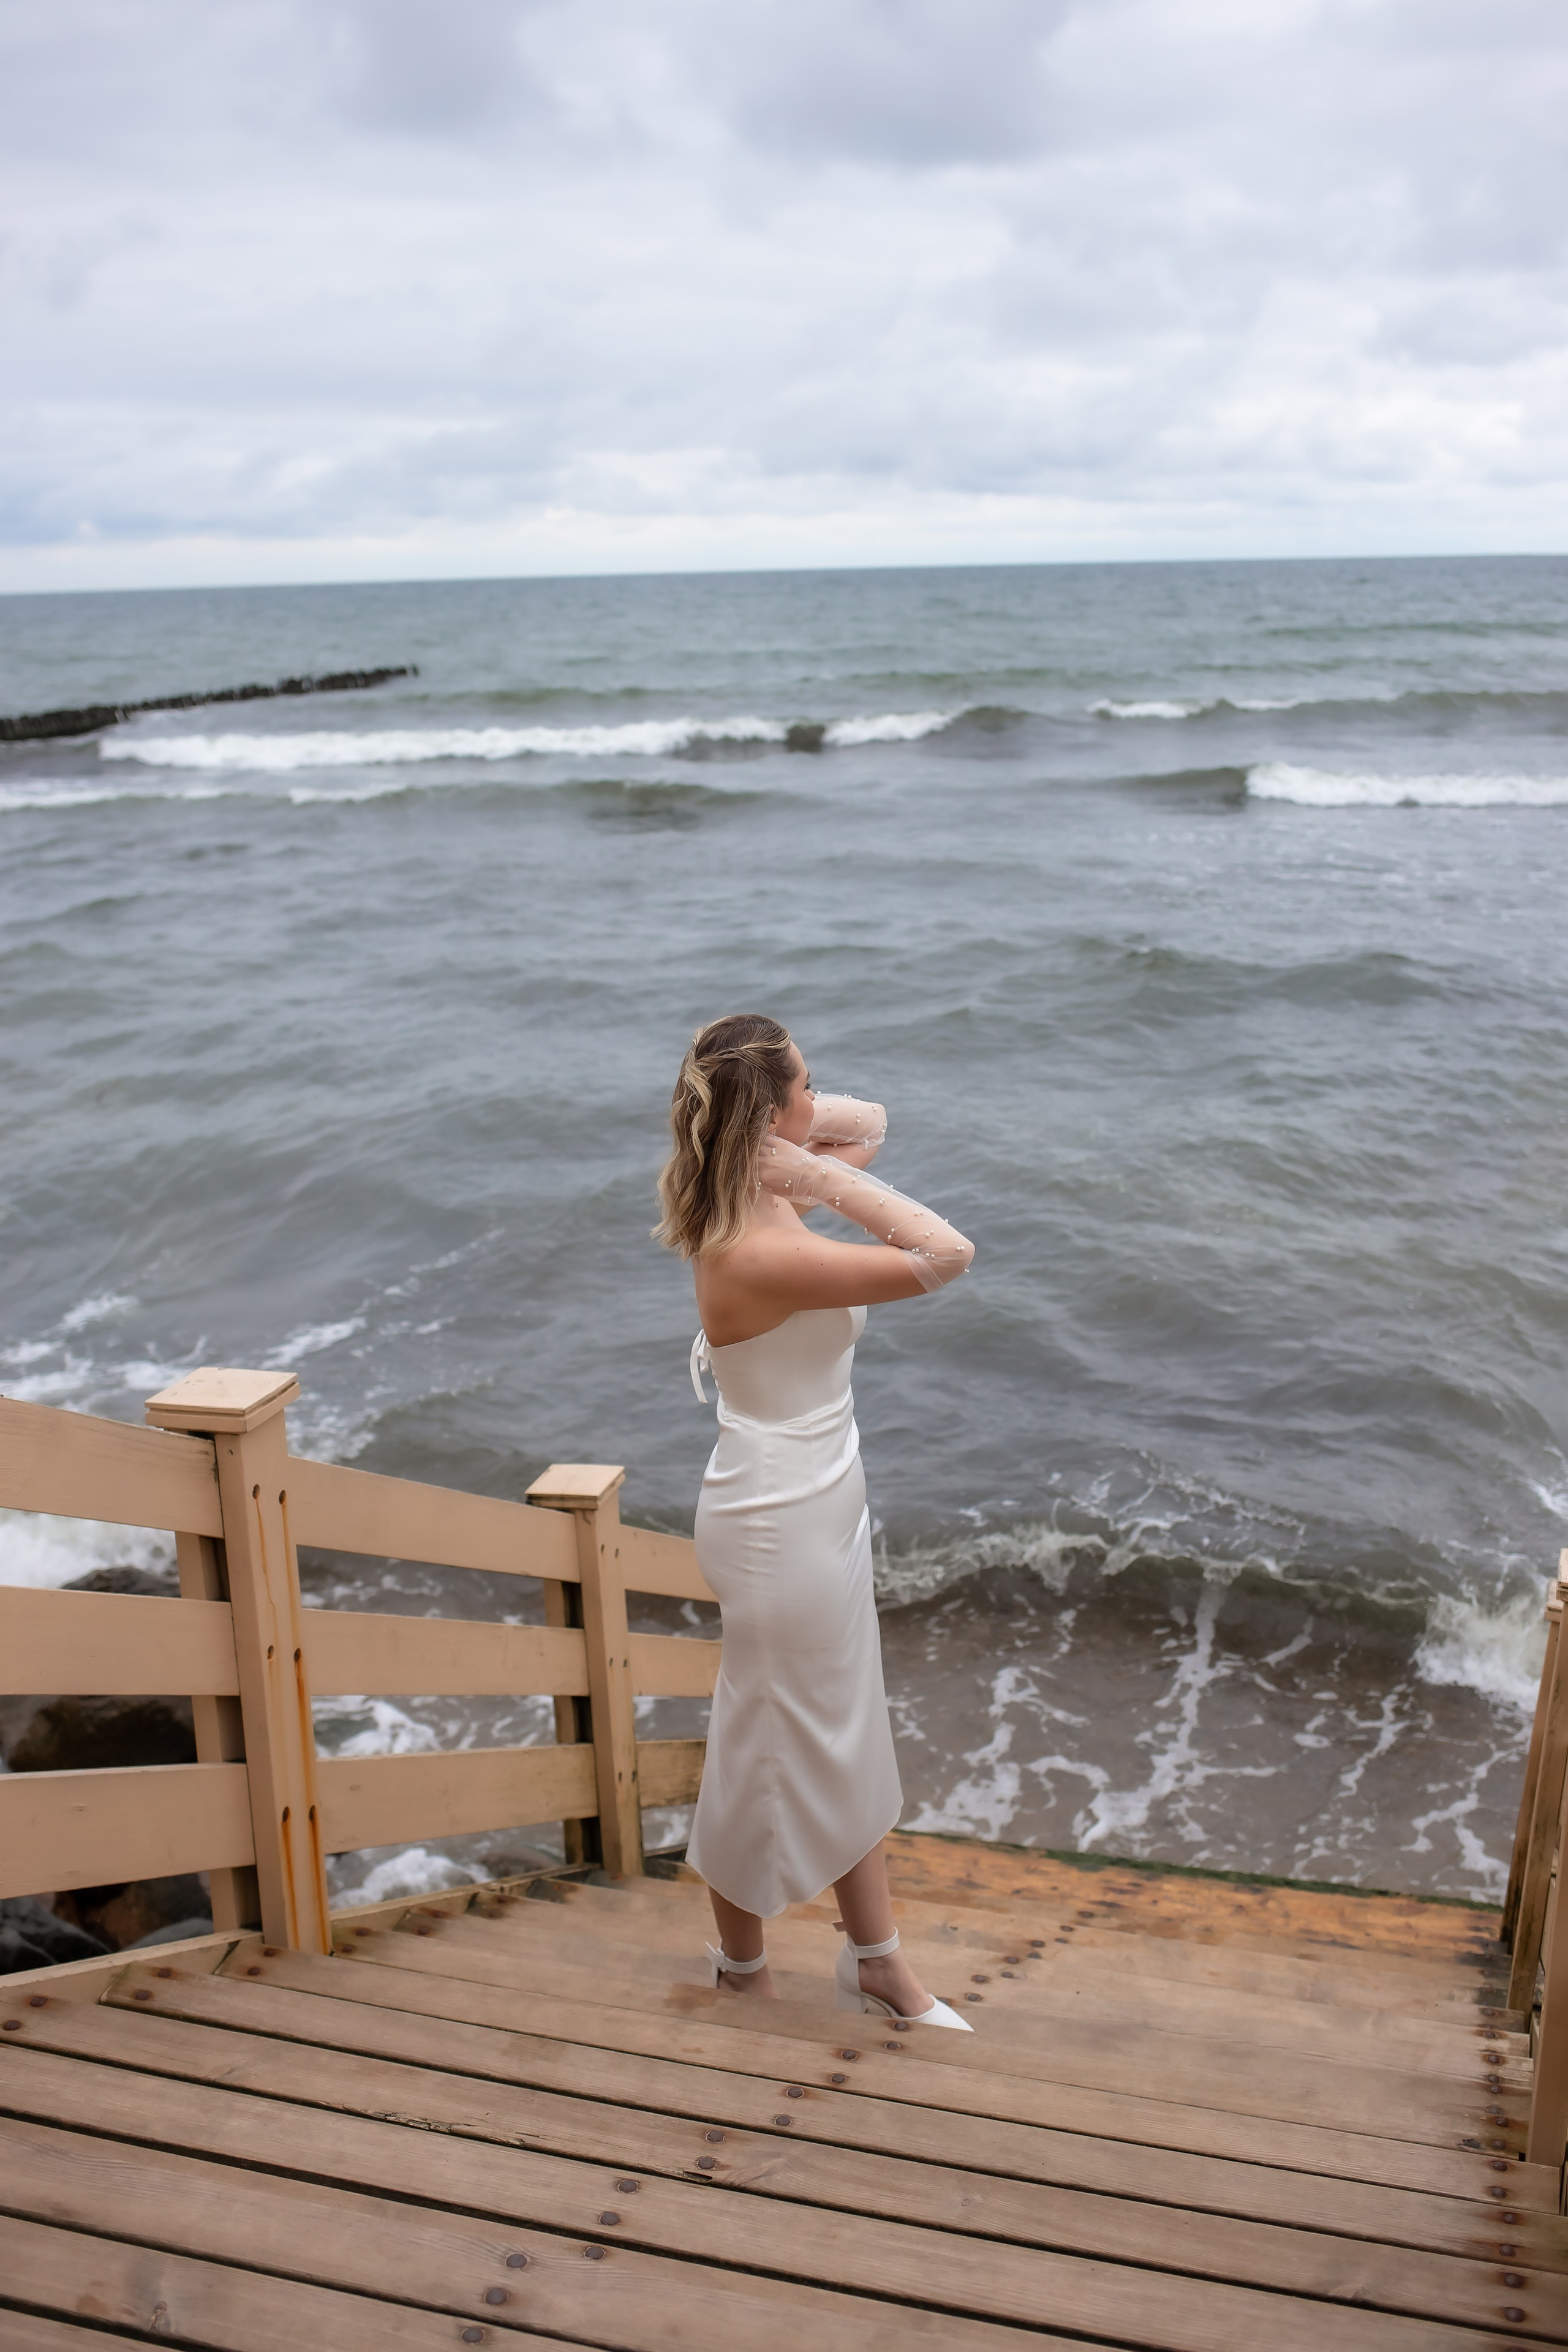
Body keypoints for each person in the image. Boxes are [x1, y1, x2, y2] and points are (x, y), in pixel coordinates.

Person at [655, 1010, 976, 2029]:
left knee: (832, 1733)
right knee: (779, 1743)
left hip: (817, 1494)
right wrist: (812, 1168)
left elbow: (866, 1125)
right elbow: (944, 1251)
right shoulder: (757, 1244)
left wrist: (776, 1127)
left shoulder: (752, 1186)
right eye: (806, 1082)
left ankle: (851, 1959)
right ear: (769, 1116)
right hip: (776, 1515)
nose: (823, 1096)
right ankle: (786, 1966)